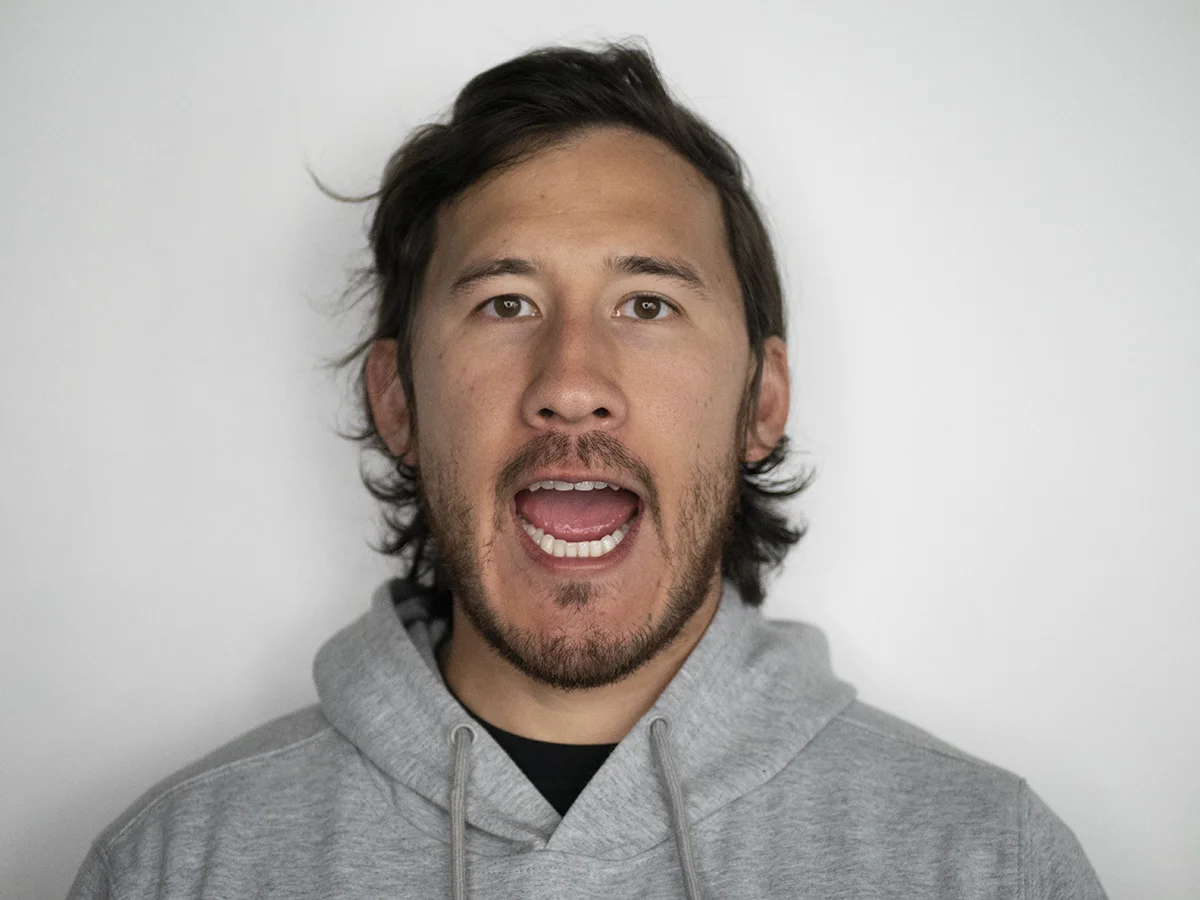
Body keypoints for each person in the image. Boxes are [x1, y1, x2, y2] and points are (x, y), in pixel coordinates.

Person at [67, 43, 1107, 899]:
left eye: (648, 304)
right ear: (397, 401)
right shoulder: (172, 867)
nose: (571, 383)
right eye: (505, 303)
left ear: (762, 401)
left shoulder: (989, 864)